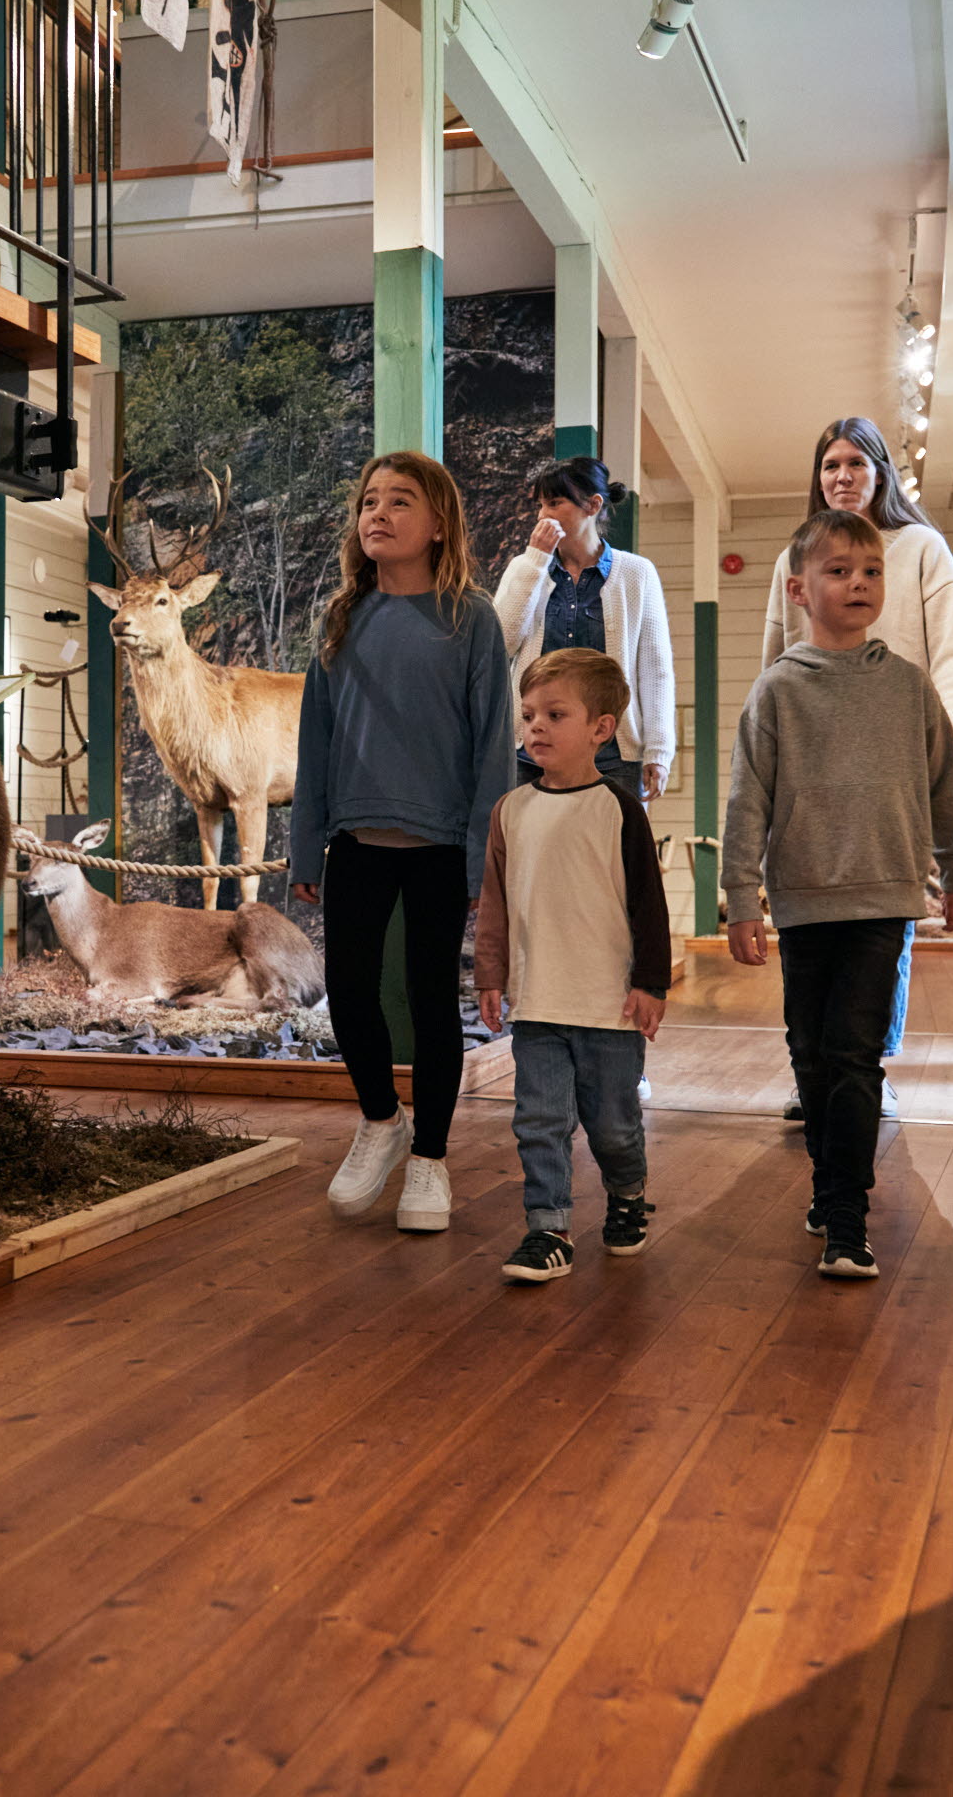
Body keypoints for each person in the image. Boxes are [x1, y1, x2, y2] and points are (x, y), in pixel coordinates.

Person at [724, 509, 953, 1278]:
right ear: (800, 589)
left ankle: (844, 1214)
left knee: (856, 1054)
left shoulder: (908, 686)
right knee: (811, 1052)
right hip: (803, 897)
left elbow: (943, 786)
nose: (858, 582)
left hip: (884, 898)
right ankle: (829, 1182)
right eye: (839, 571)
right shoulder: (776, 692)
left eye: (870, 570)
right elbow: (747, 803)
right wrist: (740, 897)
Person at [290, 450, 513, 1235]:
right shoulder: (340, 618)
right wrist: (304, 842)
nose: (378, 514)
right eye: (369, 502)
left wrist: (481, 852)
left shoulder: (472, 619)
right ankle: (380, 1121)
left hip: (439, 846)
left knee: (429, 1000)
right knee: (347, 992)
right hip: (353, 839)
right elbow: (314, 740)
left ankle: (430, 1157)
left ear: (440, 523)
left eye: (400, 502)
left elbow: (494, 745)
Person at [762, 417, 953, 1122]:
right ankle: (819, 1065)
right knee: (815, 919)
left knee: (888, 908)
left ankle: (867, 1064)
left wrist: (948, 736)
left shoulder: (919, 548)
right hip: (814, 762)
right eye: (830, 465)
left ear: (882, 472)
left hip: (898, 757)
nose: (843, 476)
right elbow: (775, 653)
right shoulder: (792, 559)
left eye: (857, 463)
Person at [475, 648, 672, 1283]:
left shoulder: (619, 810)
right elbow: (496, 905)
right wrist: (491, 975)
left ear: (601, 728)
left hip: (609, 1007)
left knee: (613, 1127)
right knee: (539, 1121)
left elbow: (649, 907)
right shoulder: (510, 811)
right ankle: (548, 1228)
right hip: (537, 1007)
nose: (535, 727)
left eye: (555, 714)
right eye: (528, 714)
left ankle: (628, 1195)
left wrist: (651, 984)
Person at [493, 458, 676, 805]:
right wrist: (536, 560)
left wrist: (658, 750)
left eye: (555, 503)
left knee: (611, 855)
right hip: (531, 754)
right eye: (541, 504)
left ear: (593, 505)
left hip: (614, 755)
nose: (542, 514)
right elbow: (501, 641)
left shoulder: (637, 573)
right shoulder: (525, 567)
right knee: (529, 853)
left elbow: (656, 669)